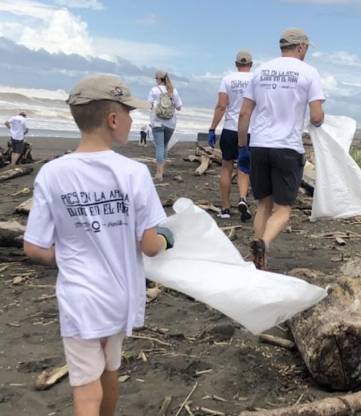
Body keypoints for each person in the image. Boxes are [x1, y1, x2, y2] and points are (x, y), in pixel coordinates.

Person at [22, 74, 174, 416]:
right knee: (109, 372)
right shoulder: (134, 172)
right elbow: (150, 246)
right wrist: (167, 237)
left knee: (84, 385)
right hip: (121, 296)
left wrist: (64, 258)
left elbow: (33, 247)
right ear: (113, 119)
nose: (134, 119)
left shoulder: (52, 173)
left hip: (80, 298)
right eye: (130, 113)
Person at [237, 28, 325, 269]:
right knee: (283, 209)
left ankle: (258, 256)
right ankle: (264, 243)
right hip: (287, 146)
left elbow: (245, 112)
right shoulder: (309, 73)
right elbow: (316, 116)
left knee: (263, 204)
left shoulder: (261, 71)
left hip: (259, 145)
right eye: (306, 48)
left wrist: (243, 147)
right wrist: (320, 122)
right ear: (301, 47)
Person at [208, 50, 254, 221]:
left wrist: (212, 128)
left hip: (229, 129)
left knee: (226, 167)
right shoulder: (255, 79)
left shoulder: (227, 79)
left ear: (236, 64)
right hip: (249, 130)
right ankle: (242, 198)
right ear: (251, 64)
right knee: (244, 167)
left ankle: (226, 209)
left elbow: (221, 106)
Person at [148, 70, 183, 181]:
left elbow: (149, 105)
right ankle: (161, 171)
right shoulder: (173, 91)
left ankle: (159, 174)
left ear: (159, 79)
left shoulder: (154, 90)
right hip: (170, 123)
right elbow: (179, 107)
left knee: (159, 146)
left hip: (157, 122)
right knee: (164, 146)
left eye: (156, 78)